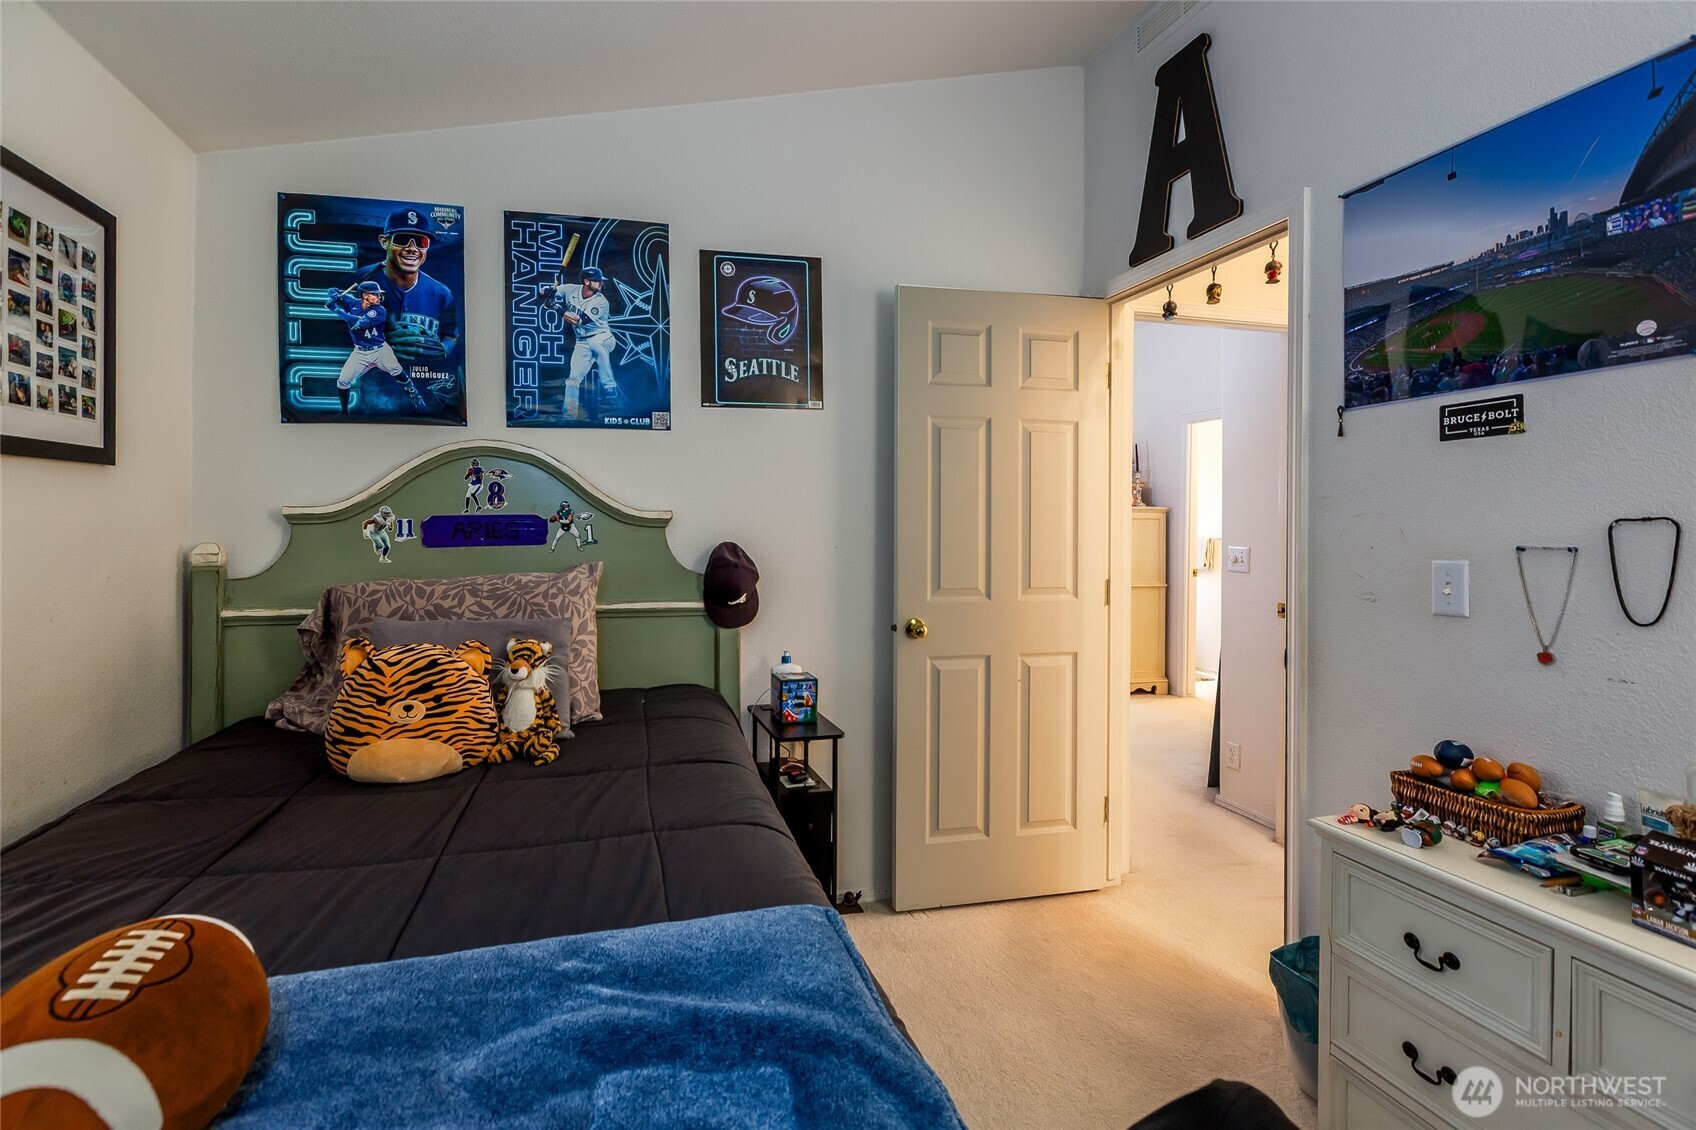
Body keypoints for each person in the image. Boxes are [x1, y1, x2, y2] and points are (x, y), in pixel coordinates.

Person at [347, 208, 459, 374]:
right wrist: (382, 343)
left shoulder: (442, 293)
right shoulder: (357, 281)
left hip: (422, 385)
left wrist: (444, 349)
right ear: (385, 241)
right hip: (370, 387)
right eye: (403, 239)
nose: (412, 248)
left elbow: (451, 335)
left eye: (421, 242)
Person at [326, 281, 421, 414]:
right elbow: (332, 288)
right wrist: (334, 296)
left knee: (396, 369)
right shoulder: (352, 303)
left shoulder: (379, 310)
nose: (379, 297)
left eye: (378, 294)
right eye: (375, 294)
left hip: (379, 350)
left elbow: (359, 322)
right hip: (359, 352)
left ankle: (415, 396)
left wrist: (335, 309)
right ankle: (344, 412)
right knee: (342, 381)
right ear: (365, 295)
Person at [541, 267, 617, 422]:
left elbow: (577, 320)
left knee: (597, 346)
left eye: (600, 280)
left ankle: (609, 385)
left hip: (603, 337)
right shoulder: (571, 289)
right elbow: (543, 291)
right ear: (586, 281)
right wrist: (547, 291)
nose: (600, 283)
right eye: (597, 281)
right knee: (573, 378)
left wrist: (555, 307)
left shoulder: (601, 301)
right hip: (582, 341)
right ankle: (569, 415)